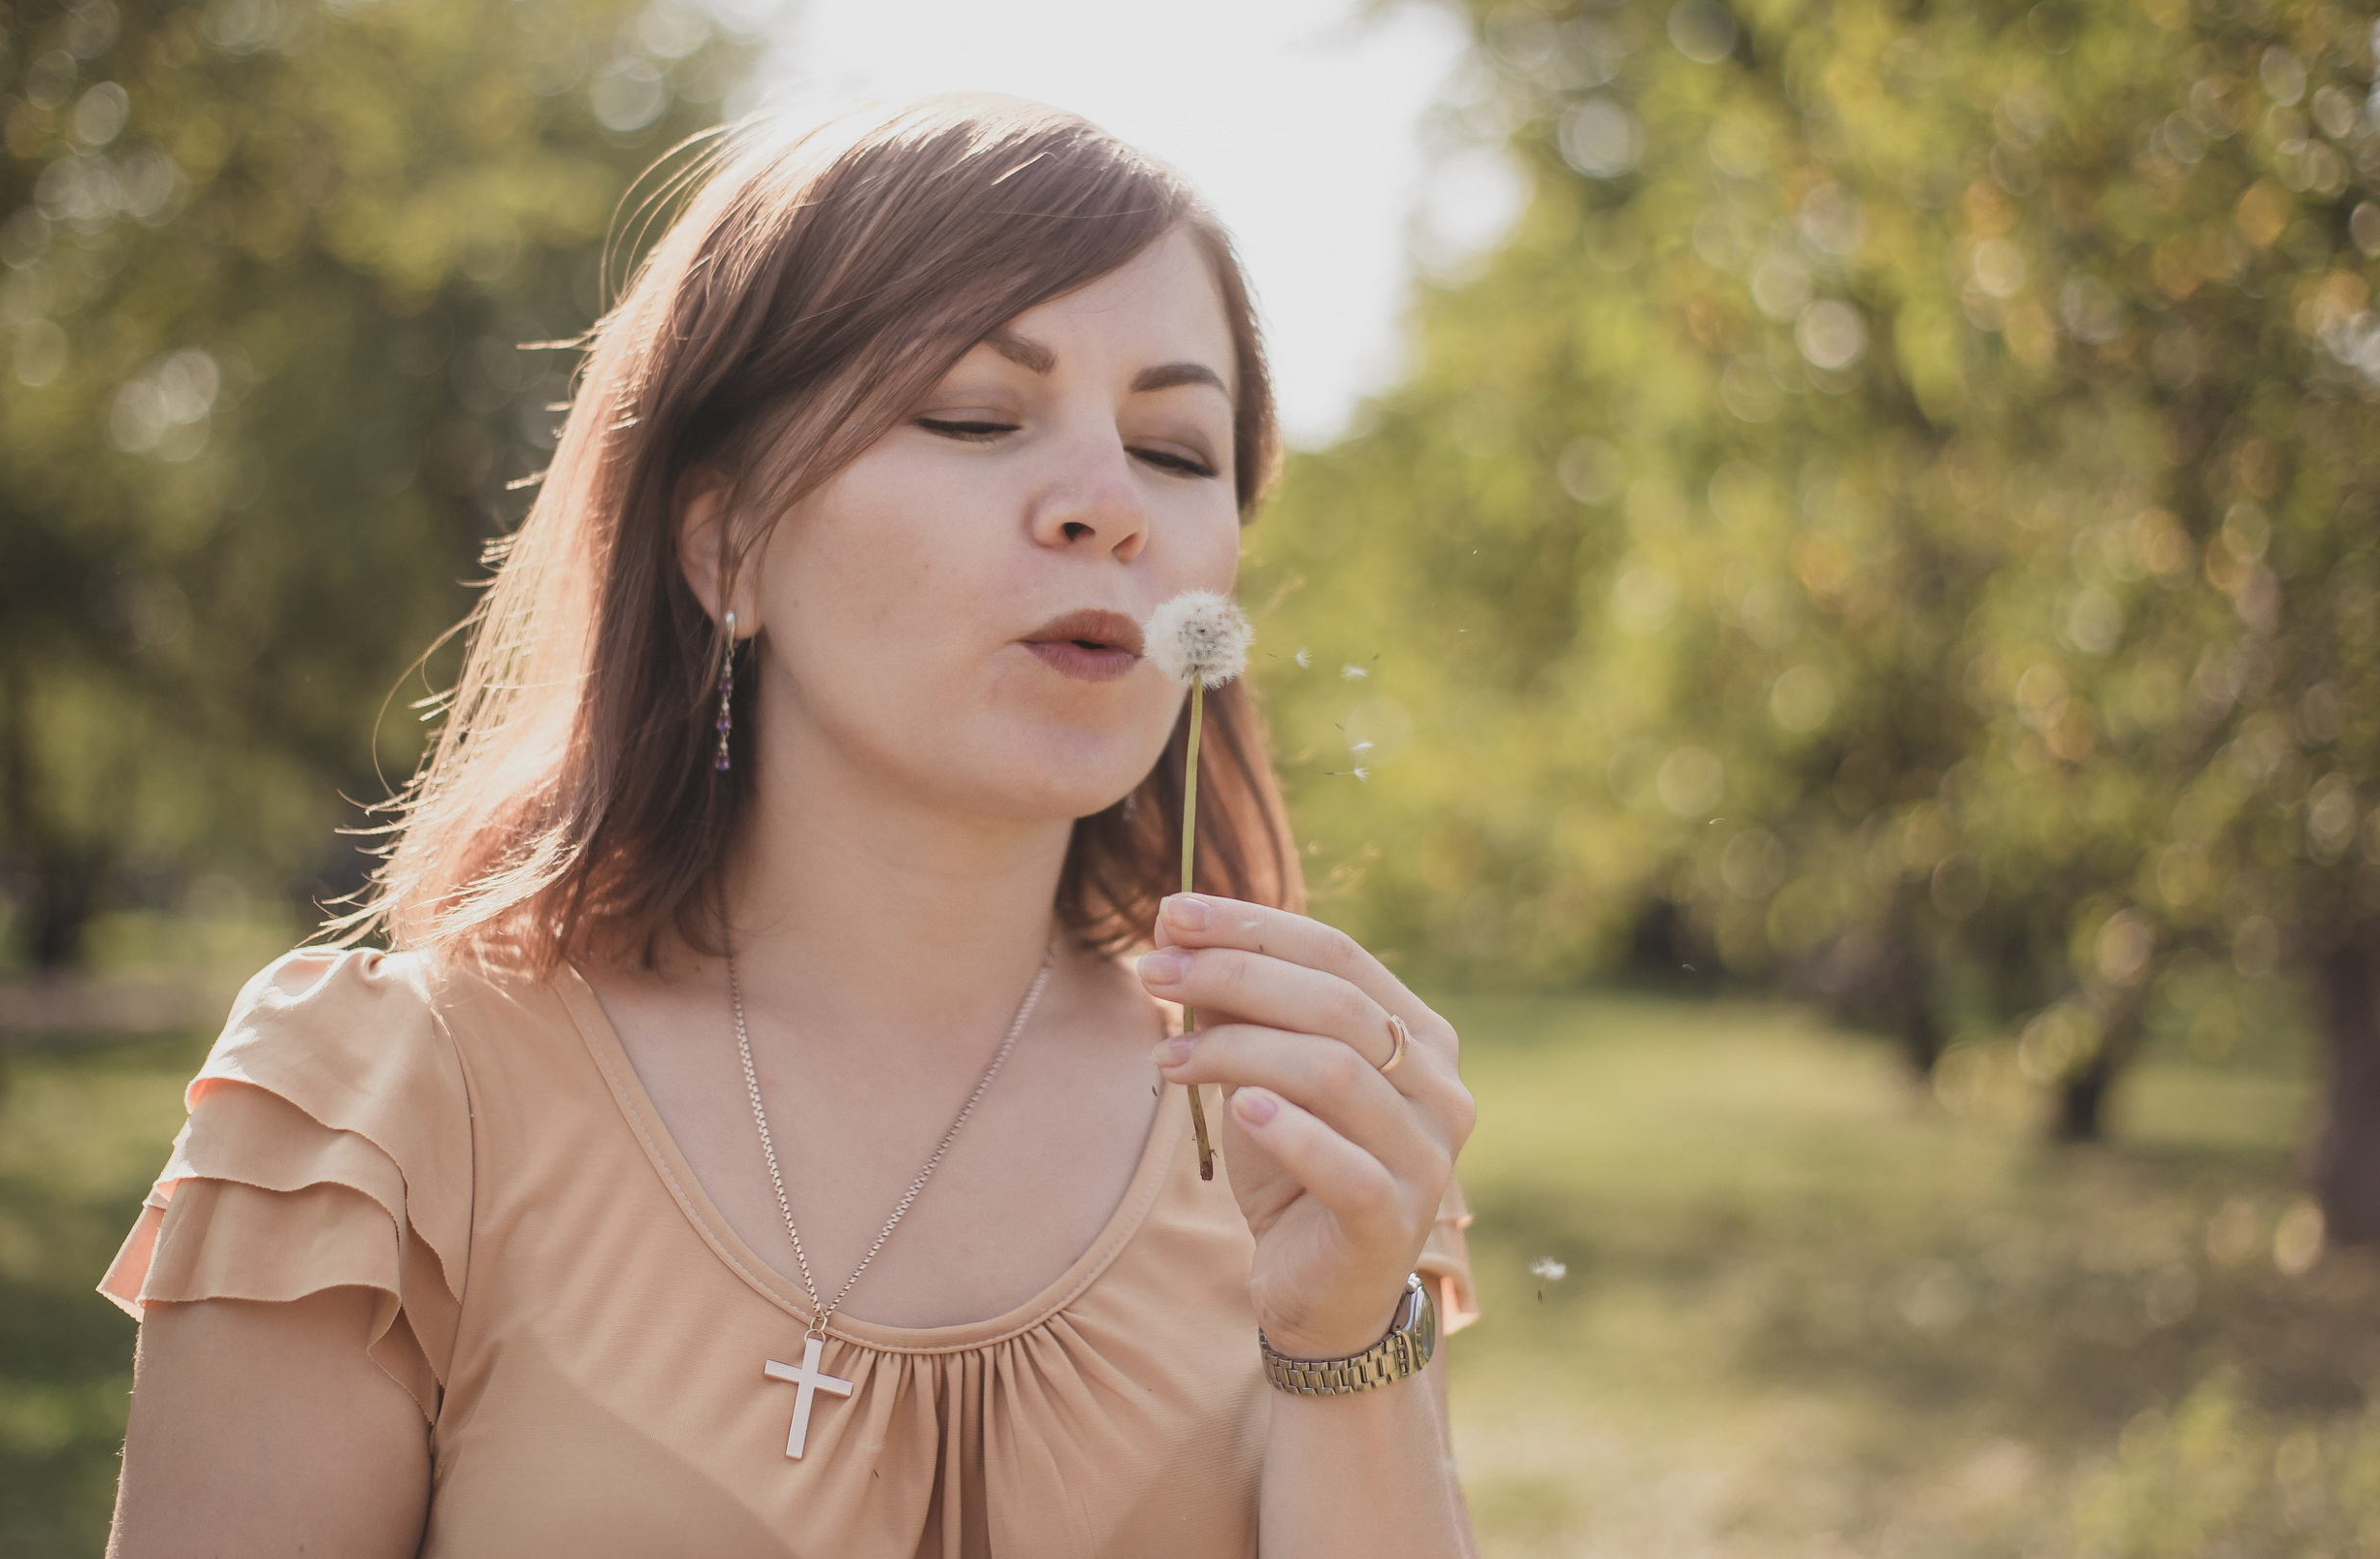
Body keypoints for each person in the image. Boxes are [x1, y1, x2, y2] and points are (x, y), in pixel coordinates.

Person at [99, 96, 1480, 1558]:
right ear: (723, 545)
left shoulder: (1307, 1120)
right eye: (972, 417)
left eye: (1179, 450)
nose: (1110, 510)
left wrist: (1344, 1336)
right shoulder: (382, 1112)